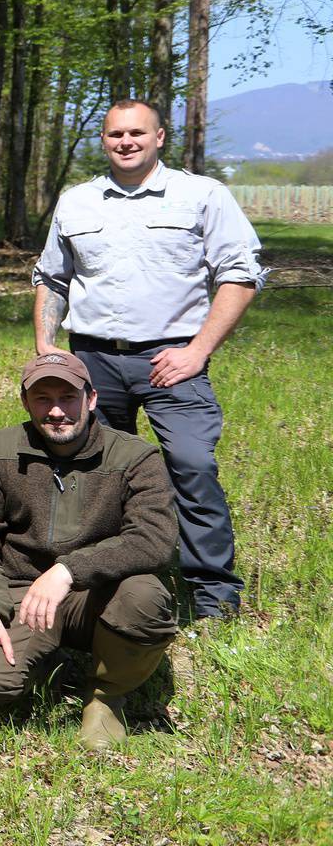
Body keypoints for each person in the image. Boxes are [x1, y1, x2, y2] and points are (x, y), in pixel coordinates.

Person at [33, 99, 264, 621]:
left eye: (137, 132)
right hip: (92, 360)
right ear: (104, 140)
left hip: (172, 361)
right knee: (94, 474)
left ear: (160, 137)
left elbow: (241, 273)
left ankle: (213, 596)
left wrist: (197, 351)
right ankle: (105, 580)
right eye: (115, 134)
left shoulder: (201, 195)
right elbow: (51, 278)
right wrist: (48, 347)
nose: (126, 142)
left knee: (191, 465)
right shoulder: (78, 201)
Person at [0, 351, 179, 749]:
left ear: (91, 398)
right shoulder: (0, 451)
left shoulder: (136, 457)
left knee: (145, 597)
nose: (56, 411)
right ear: (25, 402)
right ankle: (42, 655)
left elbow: (152, 538)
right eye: (42, 398)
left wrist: (68, 570)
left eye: (67, 397)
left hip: (98, 594)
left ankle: (105, 696)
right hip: (20, 594)